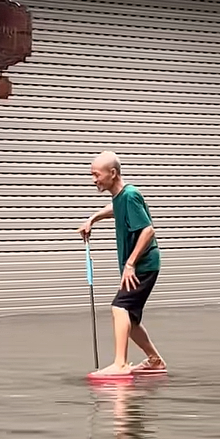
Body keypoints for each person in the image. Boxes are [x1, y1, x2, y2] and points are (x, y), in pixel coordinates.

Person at [78, 151, 166, 376]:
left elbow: (148, 230)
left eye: (96, 175)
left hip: (144, 265)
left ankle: (120, 364)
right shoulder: (121, 198)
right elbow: (114, 209)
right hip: (140, 266)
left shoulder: (130, 195)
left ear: (113, 173)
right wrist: (92, 219)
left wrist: (130, 264)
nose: (94, 180)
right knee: (131, 320)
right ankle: (154, 361)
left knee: (119, 308)